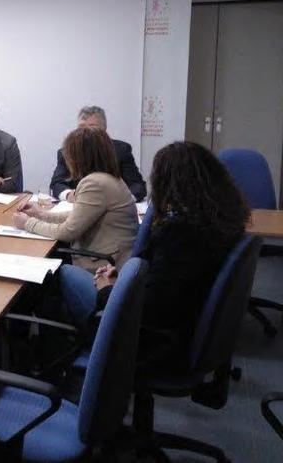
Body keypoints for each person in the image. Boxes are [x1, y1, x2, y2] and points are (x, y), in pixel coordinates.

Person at [58, 141, 249, 370]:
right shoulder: (221, 223)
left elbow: (149, 313)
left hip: (150, 342)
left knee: (62, 273)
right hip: (181, 328)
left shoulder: (180, 235)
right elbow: (166, 285)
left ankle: (57, 357)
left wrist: (107, 289)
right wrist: (123, 279)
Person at [13, 128, 138, 272]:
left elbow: (67, 232)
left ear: (80, 157)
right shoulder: (109, 178)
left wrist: (28, 223)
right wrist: (40, 214)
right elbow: (78, 216)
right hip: (112, 259)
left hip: (101, 268)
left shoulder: (95, 183)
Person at [50, 106, 146, 202]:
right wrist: (68, 195)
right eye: (81, 128)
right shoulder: (67, 152)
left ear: (104, 129)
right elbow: (57, 183)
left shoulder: (121, 150)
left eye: (91, 128)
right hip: (78, 206)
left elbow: (137, 186)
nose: (85, 133)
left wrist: (123, 200)